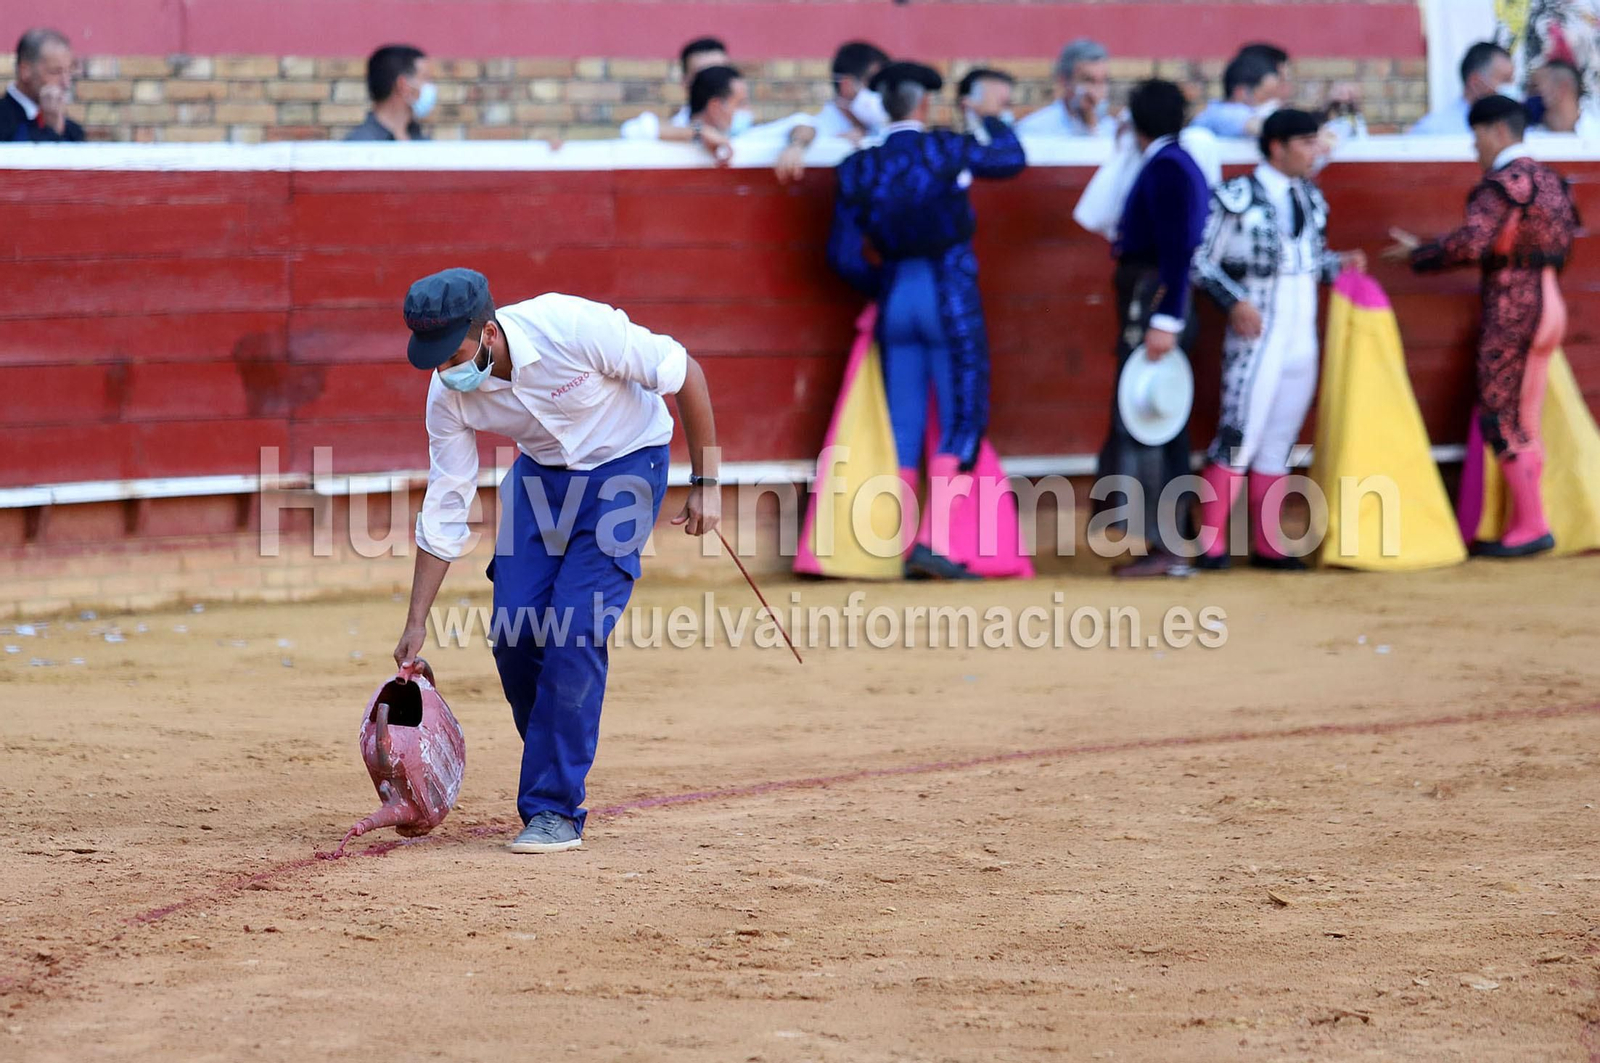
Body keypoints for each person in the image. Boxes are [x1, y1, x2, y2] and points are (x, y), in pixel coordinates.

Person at [394, 268, 721, 852]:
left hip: (628, 463)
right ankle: (555, 753)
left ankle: (554, 806)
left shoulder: (570, 326)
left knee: (574, 627)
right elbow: (447, 502)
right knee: (515, 634)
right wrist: (416, 620)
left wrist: (708, 480)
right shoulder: (448, 395)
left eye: (454, 355)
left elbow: (684, 371)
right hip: (542, 479)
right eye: (435, 361)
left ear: (488, 332)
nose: (446, 372)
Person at [827, 61, 1026, 579]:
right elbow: (1010, 158)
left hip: (896, 299)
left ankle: (894, 543)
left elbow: (843, 256)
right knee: (963, 414)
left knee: (903, 422)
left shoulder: (859, 166)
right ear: (924, 105)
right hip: (949, 295)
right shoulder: (945, 147)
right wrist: (988, 115)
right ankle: (933, 541)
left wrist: (887, 287)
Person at [1387, 95, 1579, 558]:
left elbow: (1473, 243)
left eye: (1476, 136)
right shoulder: (1551, 181)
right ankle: (1529, 521)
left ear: (1495, 130)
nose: (1474, 148)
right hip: (1550, 298)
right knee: (1523, 417)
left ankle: (1533, 525)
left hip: (1514, 303)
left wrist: (1420, 254)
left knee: (1500, 413)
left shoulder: (1501, 185)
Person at [1191, 109, 1367, 571]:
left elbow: (1308, 263)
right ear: (1277, 146)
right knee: (1238, 433)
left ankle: (1269, 544)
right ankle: (1208, 542)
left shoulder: (1310, 197)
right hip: (1256, 333)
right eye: (1306, 143)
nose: (1315, 151)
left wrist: (1340, 264)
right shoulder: (1235, 196)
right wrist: (1233, 302)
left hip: (1300, 333)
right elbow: (1200, 261)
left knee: (1280, 440)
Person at [1093, 79, 1210, 579]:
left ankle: (1170, 544)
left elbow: (1177, 249)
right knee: (1153, 417)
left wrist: (1165, 318)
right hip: (1157, 298)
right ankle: (1166, 542)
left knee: (1151, 419)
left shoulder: (1166, 167)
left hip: (1153, 301)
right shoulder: (1175, 162)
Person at [775, 41, 890, 182]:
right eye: (873, 85)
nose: (880, 94)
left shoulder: (882, 130)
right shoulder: (818, 128)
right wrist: (837, 145)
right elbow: (804, 128)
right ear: (847, 85)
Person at [618, 36, 732, 142]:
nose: (714, 82)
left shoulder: (744, 123)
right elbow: (631, 130)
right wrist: (698, 131)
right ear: (685, 82)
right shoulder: (677, 126)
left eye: (721, 74)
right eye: (703, 76)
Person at [1409, 41, 1514, 136]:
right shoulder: (1432, 131)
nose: (1511, 87)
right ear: (1476, 83)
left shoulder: (1518, 128)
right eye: (1505, 80)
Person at [1016, 38, 1115, 138]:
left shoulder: (1113, 131)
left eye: (1103, 81)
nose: (1096, 91)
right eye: (1088, 80)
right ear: (1064, 81)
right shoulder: (1034, 130)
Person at [1, 28, 83, 143]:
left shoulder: (72, 130)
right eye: (55, 72)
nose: (66, 83)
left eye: (69, 72)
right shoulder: (5, 120)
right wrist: (51, 130)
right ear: (25, 71)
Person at [345, 44, 433, 141]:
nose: (430, 86)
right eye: (425, 78)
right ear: (403, 85)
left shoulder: (422, 141)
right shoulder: (359, 146)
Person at [1190, 53, 1281, 139]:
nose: (1272, 100)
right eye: (1267, 94)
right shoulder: (1222, 113)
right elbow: (1256, 126)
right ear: (1241, 92)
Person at [1531, 59, 1600, 136]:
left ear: (1563, 87)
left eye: (1538, 84)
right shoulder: (1528, 132)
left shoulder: (1595, 131)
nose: (1534, 92)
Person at [957, 68, 1016, 142]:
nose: (1006, 110)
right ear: (967, 104)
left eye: (1008, 103)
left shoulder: (1017, 143)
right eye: (1003, 103)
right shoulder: (948, 147)